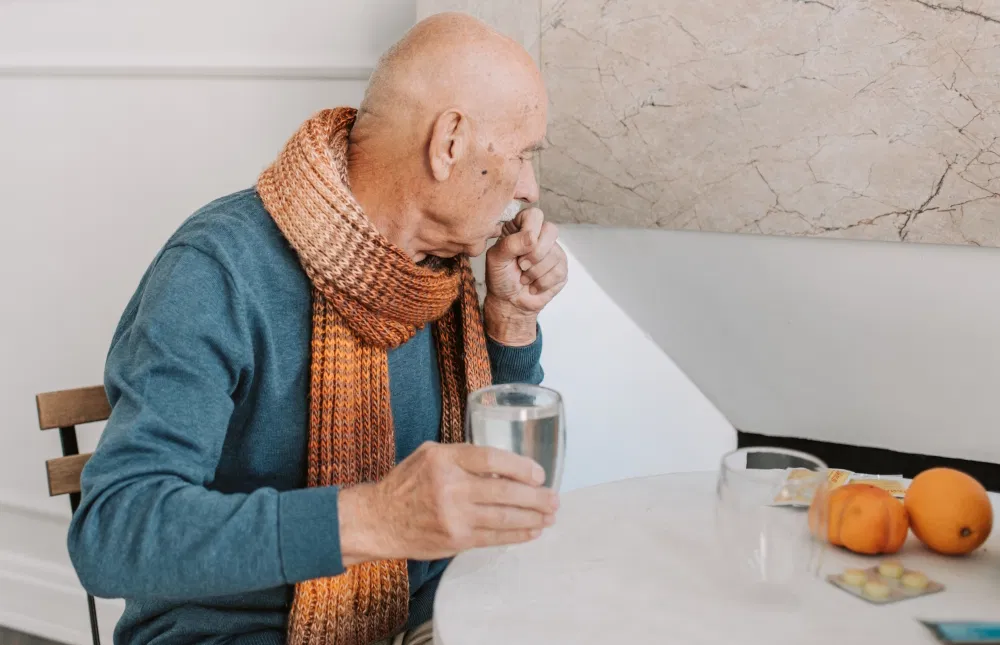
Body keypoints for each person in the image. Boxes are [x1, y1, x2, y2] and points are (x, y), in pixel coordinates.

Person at [66, 11, 568, 645]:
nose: (530, 185)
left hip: (432, 617)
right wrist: (374, 518)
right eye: (523, 153)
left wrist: (512, 319)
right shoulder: (218, 270)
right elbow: (112, 533)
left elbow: (482, 479)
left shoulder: (438, 278)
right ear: (449, 144)